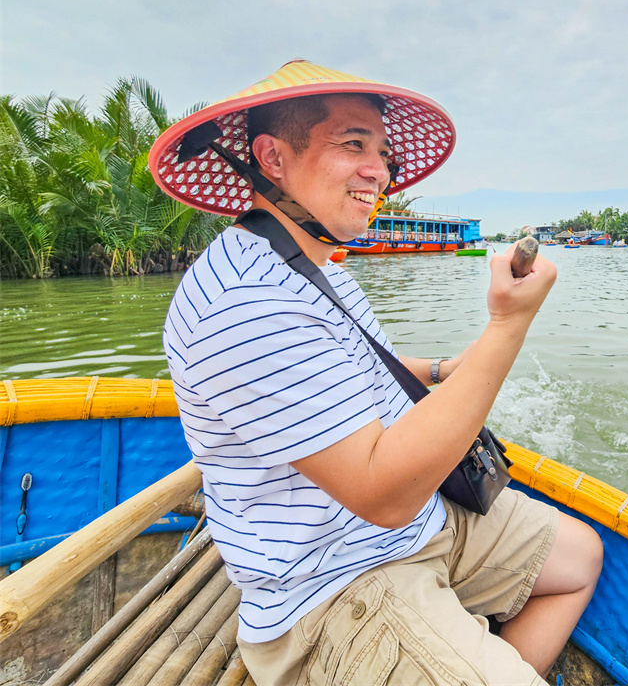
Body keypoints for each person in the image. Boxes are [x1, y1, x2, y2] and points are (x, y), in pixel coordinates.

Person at [152, 60, 603, 685]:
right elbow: (382, 494)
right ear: (272, 158)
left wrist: (447, 367)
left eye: (384, 152)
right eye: (352, 144)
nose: (380, 172)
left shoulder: (320, 271)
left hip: (424, 527)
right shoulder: (242, 298)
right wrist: (505, 329)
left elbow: (355, 369)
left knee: (581, 556)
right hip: (333, 578)